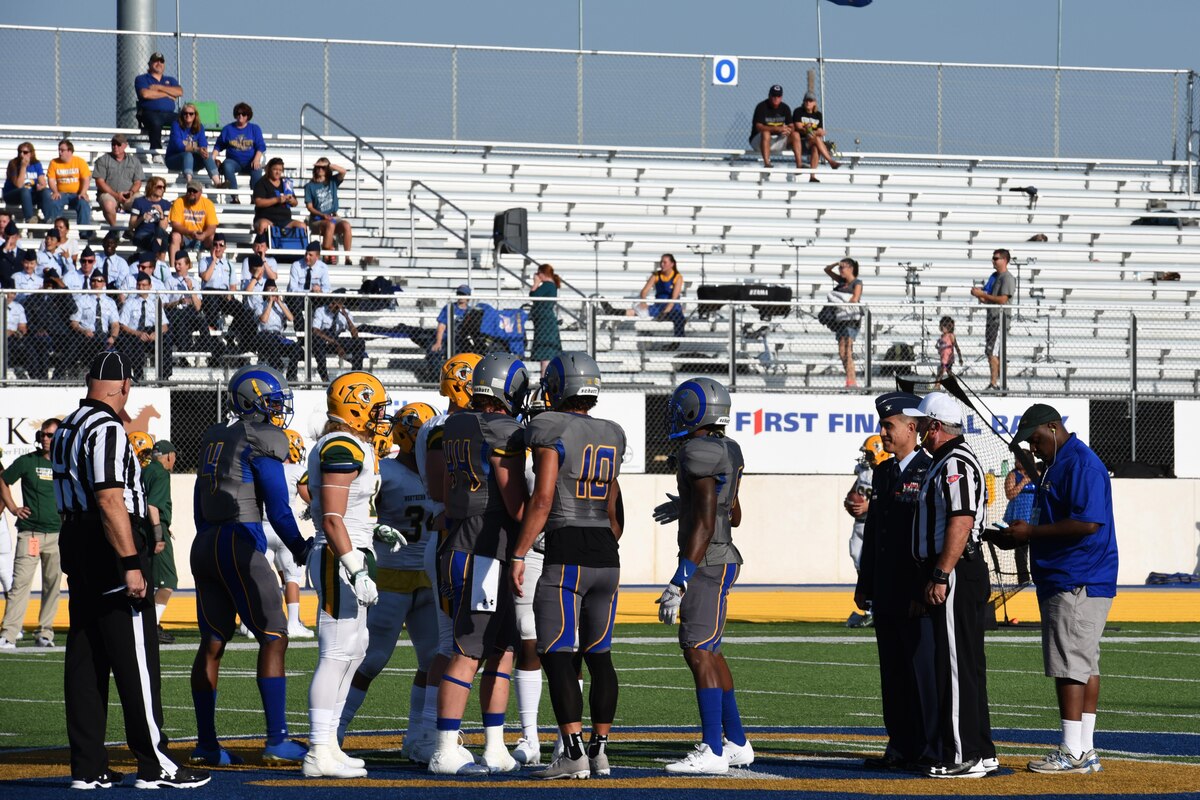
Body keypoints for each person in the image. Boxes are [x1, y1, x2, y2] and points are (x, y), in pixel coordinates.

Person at [51, 350, 210, 789]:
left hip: (76, 539)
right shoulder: (106, 427)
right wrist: (129, 563)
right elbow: (109, 499)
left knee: (86, 654)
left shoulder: (67, 426)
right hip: (107, 544)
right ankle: (155, 762)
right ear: (125, 387)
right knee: (136, 655)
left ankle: (88, 767)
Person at [509, 353, 626, 779]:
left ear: (558, 387)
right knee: (600, 655)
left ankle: (572, 752)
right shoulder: (613, 432)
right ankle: (598, 751)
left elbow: (542, 500)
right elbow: (614, 510)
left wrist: (519, 553)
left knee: (556, 653)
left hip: (567, 550)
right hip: (606, 553)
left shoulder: (549, 426)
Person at [189, 365, 312, 768]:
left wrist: (211, 540)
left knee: (212, 643)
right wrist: (301, 548)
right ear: (252, 400)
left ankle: (207, 745)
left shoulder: (214, 435)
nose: (278, 409)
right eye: (273, 402)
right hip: (238, 541)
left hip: (205, 542)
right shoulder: (262, 436)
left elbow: (200, 501)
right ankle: (277, 740)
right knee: (274, 636)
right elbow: (278, 508)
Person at [988, 404, 1118, 775]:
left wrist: (1031, 533)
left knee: (1070, 664)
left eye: (1036, 439)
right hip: (1072, 574)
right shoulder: (1060, 463)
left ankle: (1072, 750)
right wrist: (1021, 536)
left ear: (1053, 427)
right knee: (1084, 663)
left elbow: (1088, 523)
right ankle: (1085, 749)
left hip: (1076, 575)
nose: (1033, 448)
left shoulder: (1081, 464)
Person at [428, 353, 530, 776]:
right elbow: (514, 502)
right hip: (483, 550)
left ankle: (495, 745)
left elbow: (442, 491)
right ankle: (444, 749)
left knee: (502, 649)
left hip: (463, 542)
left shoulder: (455, 424)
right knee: (469, 651)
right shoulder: (504, 430)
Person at [654, 377, 752, 775]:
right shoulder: (729, 447)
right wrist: (689, 504)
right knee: (709, 651)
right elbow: (734, 513)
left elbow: (708, 523)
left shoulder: (696, 451)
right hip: (721, 557)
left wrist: (680, 578)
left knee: (697, 650)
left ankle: (713, 749)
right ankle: (737, 743)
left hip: (708, 560)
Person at [304, 371, 398, 778]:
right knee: (336, 652)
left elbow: (349, 508)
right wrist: (355, 567)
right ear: (355, 407)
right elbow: (330, 517)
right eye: (375, 408)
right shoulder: (341, 445)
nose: (381, 417)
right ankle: (317, 749)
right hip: (338, 556)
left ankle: (330, 744)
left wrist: (374, 529)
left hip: (352, 550)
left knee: (356, 650)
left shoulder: (354, 445)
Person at [337, 403, 441, 751]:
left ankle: (419, 736)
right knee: (373, 659)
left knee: (432, 659)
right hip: (391, 578)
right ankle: (335, 731)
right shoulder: (388, 471)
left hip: (427, 577)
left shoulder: (438, 472)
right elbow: (358, 514)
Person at [904, 392, 997, 778]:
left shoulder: (954, 462)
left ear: (935, 426)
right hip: (958, 568)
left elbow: (961, 520)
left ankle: (963, 753)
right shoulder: (947, 460)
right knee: (967, 665)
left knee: (956, 665)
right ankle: (981, 749)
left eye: (922, 424)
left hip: (956, 570)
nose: (917, 430)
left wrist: (941, 574)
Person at [853, 392, 939, 772]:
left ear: (911, 428)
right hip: (887, 591)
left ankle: (929, 748)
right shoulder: (884, 472)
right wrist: (865, 582)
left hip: (915, 594)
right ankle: (900, 745)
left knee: (922, 674)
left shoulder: (931, 469)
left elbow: (932, 537)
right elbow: (876, 532)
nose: (883, 432)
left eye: (888, 426)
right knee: (893, 674)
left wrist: (924, 586)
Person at [407, 353, 482, 765]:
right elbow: (441, 488)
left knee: (455, 642)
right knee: (450, 643)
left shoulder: (451, 425)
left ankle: (424, 735)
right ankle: (431, 736)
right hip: (450, 535)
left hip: (455, 535)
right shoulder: (443, 427)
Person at [0, 418, 63, 649]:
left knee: (52, 586)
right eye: (42, 435)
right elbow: (3, 480)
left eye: (50, 435)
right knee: (20, 584)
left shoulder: (65, 464)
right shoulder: (28, 461)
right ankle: (8, 634)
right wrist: (13, 507)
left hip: (57, 536)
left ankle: (45, 633)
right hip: (31, 534)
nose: (45, 439)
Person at [261, 428, 315, 640]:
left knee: (259, 577)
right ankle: (293, 623)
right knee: (292, 577)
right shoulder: (297, 470)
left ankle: (250, 624)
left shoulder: (262, 468)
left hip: (262, 528)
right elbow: (309, 497)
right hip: (285, 529)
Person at [843, 433, 891, 627]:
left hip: (877, 523)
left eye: (870, 454)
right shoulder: (864, 471)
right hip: (860, 523)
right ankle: (869, 604)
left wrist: (867, 507)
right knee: (857, 557)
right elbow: (855, 489)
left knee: (874, 563)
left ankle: (876, 607)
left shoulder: (887, 470)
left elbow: (888, 500)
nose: (866, 458)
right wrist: (849, 500)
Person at [970, 249, 1015, 391]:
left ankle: (995, 384)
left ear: (1004, 260)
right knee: (993, 353)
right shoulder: (994, 276)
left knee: (993, 353)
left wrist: (982, 294)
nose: (993, 261)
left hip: (999, 320)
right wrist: (978, 294)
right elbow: (986, 297)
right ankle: (999, 383)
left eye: (996, 258)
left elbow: (1002, 299)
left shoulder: (1007, 278)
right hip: (992, 319)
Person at [118, 271, 171, 381]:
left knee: (166, 342)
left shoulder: (155, 303)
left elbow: (165, 325)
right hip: (135, 333)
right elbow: (122, 325)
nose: (141, 288)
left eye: (144, 285)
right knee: (134, 345)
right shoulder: (129, 303)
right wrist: (138, 334)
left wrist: (156, 333)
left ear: (150, 286)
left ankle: (165, 376)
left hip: (152, 332)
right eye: (139, 285)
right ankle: (139, 376)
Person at [304, 159, 354, 263]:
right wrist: (323, 215)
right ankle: (327, 255)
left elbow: (343, 171)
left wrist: (329, 165)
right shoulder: (310, 186)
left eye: (323, 167)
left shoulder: (332, 181)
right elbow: (310, 207)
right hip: (317, 219)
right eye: (318, 167)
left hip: (332, 217)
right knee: (330, 224)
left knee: (346, 225)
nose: (320, 169)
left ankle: (347, 258)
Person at [68, 272, 121, 368]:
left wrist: (113, 337)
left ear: (104, 283)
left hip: (104, 335)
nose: (96, 283)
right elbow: (74, 323)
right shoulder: (82, 300)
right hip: (86, 336)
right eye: (93, 280)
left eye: (99, 280)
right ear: (90, 283)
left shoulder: (110, 302)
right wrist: (83, 331)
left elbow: (115, 324)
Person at [627, 254, 685, 340]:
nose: (662, 264)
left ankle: (677, 342)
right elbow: (644, 291)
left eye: (665, 262)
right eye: (661, 262)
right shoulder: (656, 275)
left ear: (672, 264)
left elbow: (674, 298)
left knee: (678, 317)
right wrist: (643, 302)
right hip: (658, 306)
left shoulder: (677, 277)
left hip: (672, 307)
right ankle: (613, 311)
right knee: (632, 312)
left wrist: (665, 313)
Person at [824, 258, 862, 387]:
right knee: (842, 352)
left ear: (851, 268)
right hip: (840, 319)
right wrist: (836, 263)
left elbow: (855, 299)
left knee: (848, 351)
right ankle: (850, 379)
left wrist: (839, 302)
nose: (840, 270)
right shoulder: (841, 281)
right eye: (839, 268)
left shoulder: (857, 283)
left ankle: (851, 381)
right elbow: (827, 270)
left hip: (851, 319)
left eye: (842, 268)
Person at [253, 278, 300, 381]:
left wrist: (279, 302)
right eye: (270, 290)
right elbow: (264, 320)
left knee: (296, 348)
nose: (272, 293)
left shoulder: (282, 306)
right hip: (264, 335)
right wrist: (270, 302)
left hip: (278, 336)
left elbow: (291, 318)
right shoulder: (260, 306)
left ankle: (291, 377)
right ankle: (276, 373)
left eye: (274, 290)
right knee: (273, 343)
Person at [93, 134, 145, 228]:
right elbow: (100, 182)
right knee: (108, 205)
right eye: (113, 144)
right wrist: (116, 195)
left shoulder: (135, 161)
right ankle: (115, 230)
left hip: (129, 195)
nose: (115, 147)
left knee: (143, 203)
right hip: (108, 194)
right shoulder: (102, 160)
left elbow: (138, 182)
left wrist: (131, 192)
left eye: (118, 144)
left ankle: (132, 229)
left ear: (125, 145)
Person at [135, 52, 182, 152]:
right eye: (156, 61)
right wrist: (167, 94)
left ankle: (180, 148)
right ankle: (156, 152)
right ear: (150, 64)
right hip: (150, 113)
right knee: (156, 122)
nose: (159, 63)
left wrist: (159, 88)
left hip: (169, 114)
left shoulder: (170, 80)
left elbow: (179, 92)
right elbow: (145, 94)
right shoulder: (142, 79)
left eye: (161, 61)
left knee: (185, 120)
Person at [311, 295, 366, 381]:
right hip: (324, 340)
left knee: (360, 342)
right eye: (330, 302)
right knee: (318, 341)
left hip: (337, 340)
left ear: (340, 304)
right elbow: (315, 330)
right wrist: (335, 343)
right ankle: (324, 376)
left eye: (333, 303)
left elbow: (355, 335)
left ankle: (355, 375)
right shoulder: (321, 311)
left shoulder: (345, 313)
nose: (330, 305)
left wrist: (346, 316)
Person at [216, 103, 266, 194]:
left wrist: (256, 159)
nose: (240, 116)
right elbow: (219, 145)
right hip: (234, 162)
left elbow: (261, 146)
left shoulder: (254, 129)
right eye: (238, 113)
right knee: (227, 165)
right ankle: (234, 196)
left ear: (248, 116)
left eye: (243, 114)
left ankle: (255, 197)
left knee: (257, 169)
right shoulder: (228, 129)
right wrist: (213, 158)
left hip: (250, 162)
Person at [748, 85, 802, 169]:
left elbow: (791, 126)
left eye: (778, 96)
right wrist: (777, 129)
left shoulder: (785, 108)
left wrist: (788, 130)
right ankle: (767, 164)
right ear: (769, 95)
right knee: (766, 133)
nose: (776, 98)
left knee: (796, 135)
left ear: (781, 97)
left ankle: (799, 165)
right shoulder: (761, 107)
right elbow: (758, 127)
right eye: (774, 95)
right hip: (759, 141)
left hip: (776, 141)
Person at [166, 103, 221, 185]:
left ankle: (218, 183)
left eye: (191, 113)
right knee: (188, 155)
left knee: (206, 155)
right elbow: (179, 146)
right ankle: (189, 182)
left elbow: (203, 144)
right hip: (174, 160)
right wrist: (196, 149)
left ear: (195, 115)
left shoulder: (200, 127)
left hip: (193, 161)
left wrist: (203, 151)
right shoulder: (176, 125)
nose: (188, 115)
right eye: (185, 113)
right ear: (182, 115)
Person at [792, 92, 841, 181]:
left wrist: (811, 131)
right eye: (806, 100)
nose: (808, 103)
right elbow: (799, 128)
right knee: (816, 138)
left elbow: (820, 131)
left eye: (810, 101)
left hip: (812, 142)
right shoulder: (798, 111)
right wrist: (811, 131)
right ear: (803, 101)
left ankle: (812, 176)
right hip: (800, 142)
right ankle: (831, 162)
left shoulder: (818, 115)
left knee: (815, 147)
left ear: (814, 103)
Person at [46, 140, 93, 227]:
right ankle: (56, 230)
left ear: (70, 151)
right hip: (61, 194)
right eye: (59, 150)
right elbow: (51, 180)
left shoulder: (80, 161)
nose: (60, 152)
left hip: (77, 194)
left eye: (62, 150)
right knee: (54, 202)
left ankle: (85, 232)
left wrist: (83, 192)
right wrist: (55, 192)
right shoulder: (54, 162)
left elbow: (86, 179)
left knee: (83, 204)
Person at [253, 157, 305, 236]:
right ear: (269, 169)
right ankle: (262, 243)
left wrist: (292, 200)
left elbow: (295, 203)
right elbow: (258, 202)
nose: (278, 172)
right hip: (266, 218)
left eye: (280, 170)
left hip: (285, 220)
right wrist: (277, 200)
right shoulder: (261, 183)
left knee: (302, 226)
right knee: (263, 225)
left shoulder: (286, 183)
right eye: (275, 169)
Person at [3, 141, 52, 223]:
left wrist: (41, 186)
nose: (22, 154)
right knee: (24, 190)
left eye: (25, 152)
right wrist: (23, 167)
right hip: (13, 194)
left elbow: (43, 182)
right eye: (20, 152)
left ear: (31, 153)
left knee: (46, 191)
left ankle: (49, 218)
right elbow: (19, 185)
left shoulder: (36, 164)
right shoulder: (13, 164)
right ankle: (29, 218)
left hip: (30, 195)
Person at [168, 180, 219, 260]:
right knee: (175, 236)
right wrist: (190, 233)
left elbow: (212, 226)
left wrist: (204, 235)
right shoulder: (179, 202)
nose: (192, 193)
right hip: (185, 236)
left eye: (194, 191)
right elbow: (175, 224)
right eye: (189, 190)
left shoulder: (208, 204)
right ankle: (174, 266)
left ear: (200, 192)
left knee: (213, 238)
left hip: (202, 236)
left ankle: (215, 264)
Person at [287, 241, 331, 326]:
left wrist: (320, 291)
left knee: (327, 299)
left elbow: (327, 288)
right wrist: (310, 292)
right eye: (306, 254)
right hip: (299, 299)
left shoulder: (323, 267)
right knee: (295, 301)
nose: (307, 257)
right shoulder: (296, 265)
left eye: (310, 255)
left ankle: (315, 327)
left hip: (315, 299)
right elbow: (293, 289)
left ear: (317, 256)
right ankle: (301, 329)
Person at [529, 263, 562, 371]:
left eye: (538, 273)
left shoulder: (548, 285)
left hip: (545, 324)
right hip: (542, 323)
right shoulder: (550, 285)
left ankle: (545, 377)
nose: (537, 275)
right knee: (544, 355)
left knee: (546, 354)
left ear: (543, 273)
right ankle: (545, 376)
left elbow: (533, 295)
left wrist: (536, 283)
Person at [129, 177, 172, 253]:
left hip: (158, 234)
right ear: (151, 187)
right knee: (159, 240)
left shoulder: (166, 204)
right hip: (142, 233)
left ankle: (158, 258)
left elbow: (163, 228)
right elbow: (131, 225)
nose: (162, 189)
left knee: (162, 236)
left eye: (164, 187)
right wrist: (142, 218)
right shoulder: (139, 202)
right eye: (159, 187)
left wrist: (161, 214)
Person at [431, 284, 472, 354]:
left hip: (461, 339)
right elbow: (441, 326)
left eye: (463, 294)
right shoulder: (449, 307)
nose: (461, 296)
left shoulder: (470, 311)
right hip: (446, 337)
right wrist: (438, 342)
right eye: (459, 294)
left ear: (468, 296)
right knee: (435, 351)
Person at [935, 316, 963, 387]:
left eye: (944, 326)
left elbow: (956, 347)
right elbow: (941, 346)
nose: (943, 328)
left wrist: (960, 358)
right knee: (949, 373)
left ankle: (936, 386)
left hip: (948, 359)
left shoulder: (951, 336)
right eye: (942, 326)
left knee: (940, 373)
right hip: (943, 358)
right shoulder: (942, 336)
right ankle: (955, 385)